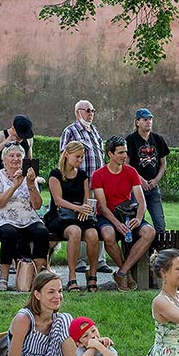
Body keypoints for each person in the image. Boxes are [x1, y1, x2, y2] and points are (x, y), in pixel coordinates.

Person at [0, 270, 78, 356]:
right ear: (37, 295)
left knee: (65, 318)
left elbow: (81, 343)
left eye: (60, 291)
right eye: (51, 292)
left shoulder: (57, 320)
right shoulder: (24, 319)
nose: (58, 296)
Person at [91, 136, 157, 292]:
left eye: (125, 152)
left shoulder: (131, 171)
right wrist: (117, 224)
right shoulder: (99, 175)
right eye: (120, 152)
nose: (124, 156)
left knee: (149, 232)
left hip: (128, 213)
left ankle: (122, 272)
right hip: (108, 216)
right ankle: (124, 273)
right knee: (108, 234)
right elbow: (103, 207)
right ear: (110, 154)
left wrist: (138, 218)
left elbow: (142, 201)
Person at [0, 143, 50, 291]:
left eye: (19, 156)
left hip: (27, 218)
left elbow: (37, 205)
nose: (15, 159)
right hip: (3, 218)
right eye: (11, 155)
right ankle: (3, 277)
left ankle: (36, 277)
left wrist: (30, 185)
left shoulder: (29, 176)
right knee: (9, 233)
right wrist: (14, 185)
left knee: (42, 232)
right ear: (4, 160)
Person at [60, 99, 112, 274]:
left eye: (93, 110)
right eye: (88, 110)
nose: (91, 113)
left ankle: (100, 259)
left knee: (100, 217)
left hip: (99, 185)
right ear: (78, 112)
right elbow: (64, 157)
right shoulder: (70, 131)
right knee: (81, 218)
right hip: (80, 184)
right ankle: (81, 260)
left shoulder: (95, 131)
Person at [46, 141, 100, 292]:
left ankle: (92, 275)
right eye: (77, 157)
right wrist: (78, 208)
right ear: (67, 155)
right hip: (60, 216)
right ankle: (72, 277)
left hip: (80, 215)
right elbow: (58, 200)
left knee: (93, 234)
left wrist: (85, 209)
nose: (80, 160)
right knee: (75, 231)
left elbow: (86, 198)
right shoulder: (55, 174)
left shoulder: (82, 175)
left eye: (82, 157)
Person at [126, 108, 169, 231]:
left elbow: (163, 164)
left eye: (150, 119)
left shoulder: (158, 139)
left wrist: (156, 180)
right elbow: (126, 165)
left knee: (160, 223)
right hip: (136, 188)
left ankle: (160, 249)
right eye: (145, 119)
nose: (148, 122)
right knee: (137, 223)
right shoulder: (130, 140)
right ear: (137, 122)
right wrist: (140, 180)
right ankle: (140, 249)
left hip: (153, 187)